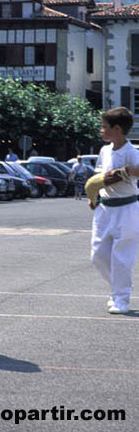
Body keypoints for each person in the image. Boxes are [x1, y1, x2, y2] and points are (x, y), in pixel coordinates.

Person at [90, 107, 139, 315]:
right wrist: (93, 194)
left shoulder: (132, 152)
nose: (101, 130)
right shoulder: (104, 150)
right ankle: (120, 286)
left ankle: (121, 298)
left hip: (127, 208)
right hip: (104, 207)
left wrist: (128, 171)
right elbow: (98, 176)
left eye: (104, 127)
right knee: (98, 255)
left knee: (122, 256)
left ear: (117, 128)